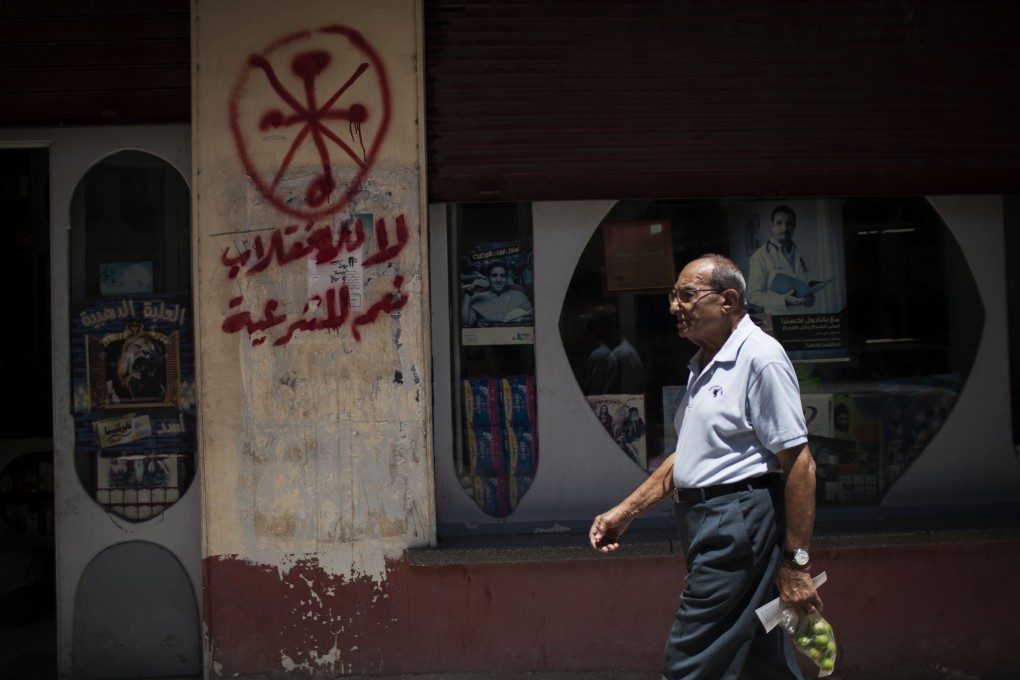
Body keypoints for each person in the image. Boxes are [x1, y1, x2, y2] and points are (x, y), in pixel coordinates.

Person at [589, 254, 821, 680]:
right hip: (708, 521)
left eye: (687, 295)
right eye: (673, 297)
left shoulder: (760, 358)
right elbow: (689, 457)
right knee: (759, 656)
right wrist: (626, 512)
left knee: (690, 657)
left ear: (728, 300)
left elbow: (800, 464)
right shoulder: (705, 363)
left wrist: (797, 565)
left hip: (736, 523)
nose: (674, 307)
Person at [746, 205, 816, 315]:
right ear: (772, 226)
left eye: (789, 223)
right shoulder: (760, 256)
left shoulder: (802, 254)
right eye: (779, 223)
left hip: (803, 319)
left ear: (794, 226)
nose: (785, 228)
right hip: (777, 319)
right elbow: (752, 295)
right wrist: (784, 301)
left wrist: (810, 299)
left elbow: (807, 286)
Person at [461, 261, 534, 327]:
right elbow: (465, 322)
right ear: (488, 278)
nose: (498, 280)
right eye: (494, 275)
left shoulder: (519, 296)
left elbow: (532, 314)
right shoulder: (477, 298)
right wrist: (469, 291)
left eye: (502, 276)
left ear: (506, 278)